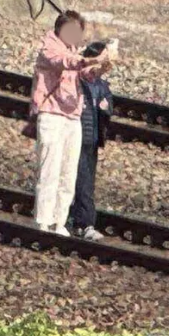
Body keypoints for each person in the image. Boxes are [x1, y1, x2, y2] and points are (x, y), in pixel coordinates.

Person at [29, 10, 109, 235]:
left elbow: (86, 74)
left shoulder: (75, 52)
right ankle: (43, 221)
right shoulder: (49, 47)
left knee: (68, 172)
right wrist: (88, 59)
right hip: (51, 114)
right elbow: (63, 62)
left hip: (72, 116)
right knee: (49, 170)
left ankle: (59, 222)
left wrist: (102, 66)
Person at [67, 42, 114, 241]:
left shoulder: (101, 85)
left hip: (92, 139)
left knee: (86, 182)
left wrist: (106, 107)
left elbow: (109, 105)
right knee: (79, 182)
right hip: (79, 136)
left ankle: (79, 220)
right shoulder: (80, 80)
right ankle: (84, 223)